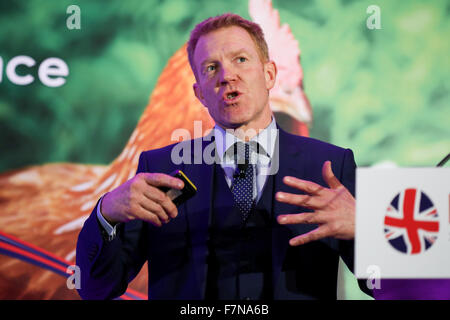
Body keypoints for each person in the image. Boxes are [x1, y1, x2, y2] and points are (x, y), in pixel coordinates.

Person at [76, 13, 371, 300]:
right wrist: (107, 213)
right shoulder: (160, 169)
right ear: (200, 94)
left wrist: (365, 229)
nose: (228, 76)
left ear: (269, 75)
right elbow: (96, 289)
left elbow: (383, 286)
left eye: (240, 59)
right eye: (211, 68)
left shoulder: (330, 166)